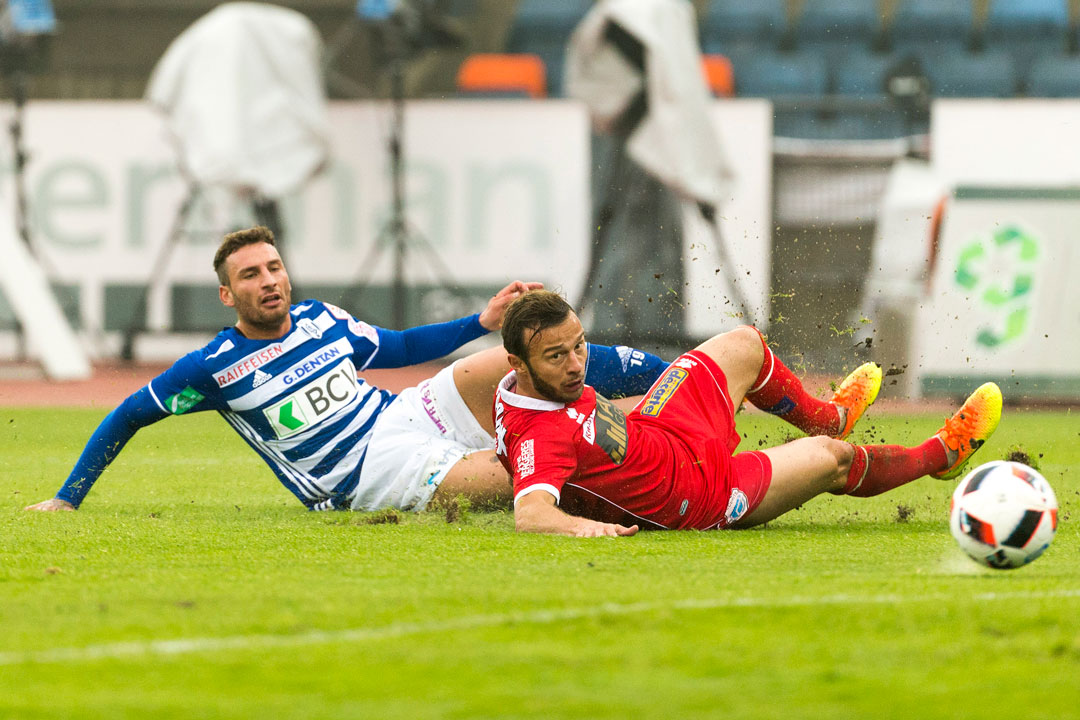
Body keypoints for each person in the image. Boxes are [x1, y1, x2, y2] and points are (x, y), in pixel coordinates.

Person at [26, 227, 668, 514]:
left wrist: (480, 319)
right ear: (228, 295)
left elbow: (397, 346)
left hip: (405, 414)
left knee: (501, 359)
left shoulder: (320, 319)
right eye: (250, 275)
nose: (268, 280)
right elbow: (127, 413)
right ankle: (663, 458)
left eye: (273, 267)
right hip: (368, 476)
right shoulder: (211, 368)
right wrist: (67, 496)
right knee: (524, 473)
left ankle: (679, 382)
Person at [493, 290, 1003, 537]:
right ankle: (940, 455)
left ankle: (829, 414)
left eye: (579, 346)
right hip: (700, 495)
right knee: (832, 460)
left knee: (743, 343)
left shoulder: (515, 390)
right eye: (556, 357)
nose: (576, 364)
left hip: (663, 426)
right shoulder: (539, 435)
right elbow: (531, 513)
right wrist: (584, 527)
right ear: (518, 361)